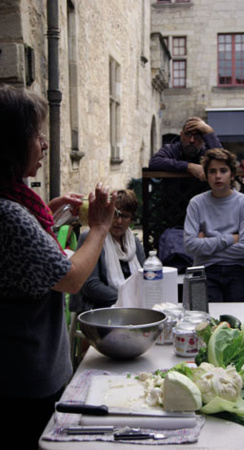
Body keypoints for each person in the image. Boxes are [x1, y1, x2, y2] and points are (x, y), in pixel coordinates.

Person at [0, 84, 116, 449]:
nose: (45, 144)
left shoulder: (12, 199)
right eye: (37, 135)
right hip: (23, 381)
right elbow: (70, 278)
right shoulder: (8, 213)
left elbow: (21, 254)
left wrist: (47, 213)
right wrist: (99, 227)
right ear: (12, 145)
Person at [184, 148, 244, 302]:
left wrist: (204, 244)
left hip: (237, 268)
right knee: (203, 318)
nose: (217, 176)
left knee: (236, 319)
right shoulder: (196, 203)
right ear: (206, 175)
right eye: (212, 171)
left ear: (232, 175)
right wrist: (231, 238)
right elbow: (190, 245)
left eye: (223, 170)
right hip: (204, 269)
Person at [70, 189, 146, 312]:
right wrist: (125, 301)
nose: (119, 221)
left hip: (131, 307)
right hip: (98, 309)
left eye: (125, 216)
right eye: (115, 214)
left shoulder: (135, 243)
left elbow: (144, 278)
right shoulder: (91, 237)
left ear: (132, 219)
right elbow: (91, 286)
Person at [149, 116, 222, 181]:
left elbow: (222, 160)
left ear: (203, 139)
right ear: (181, 135)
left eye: (197, 136)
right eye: (188, 134)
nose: (191, 140)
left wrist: (209, 132)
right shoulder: (172, 149)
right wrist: (188, 166)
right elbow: (154, 162)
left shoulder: (206, 152)